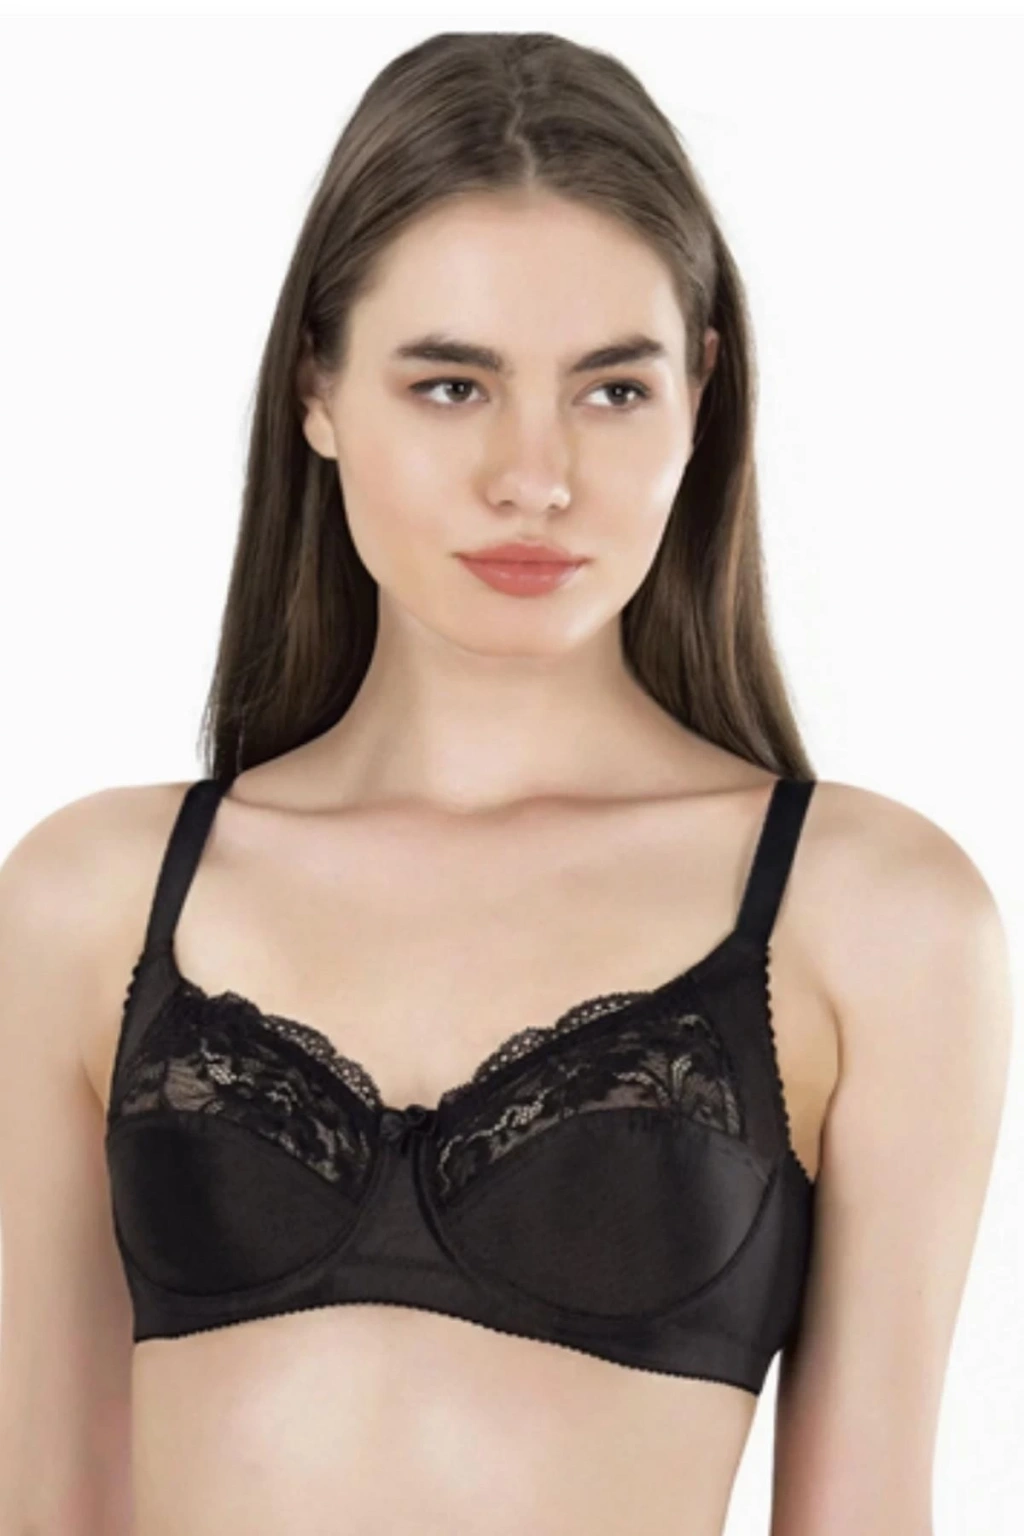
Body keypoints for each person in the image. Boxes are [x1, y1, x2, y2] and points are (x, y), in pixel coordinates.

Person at [0, 30, 1011, 1536]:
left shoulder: (868, 917)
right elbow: (44, 1504)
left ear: (701, 394)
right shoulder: (91, 899)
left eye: (611, 392)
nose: (535, 478)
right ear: (318, 388)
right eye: (452, 384)